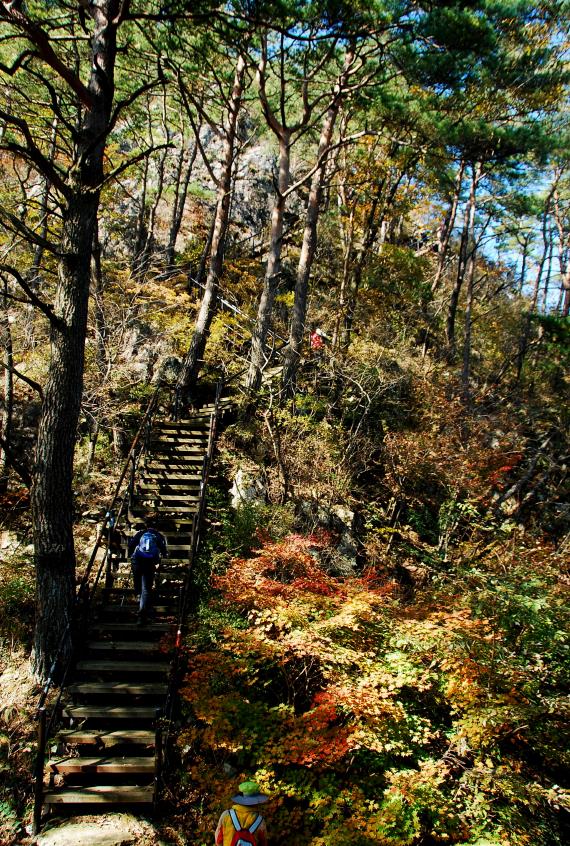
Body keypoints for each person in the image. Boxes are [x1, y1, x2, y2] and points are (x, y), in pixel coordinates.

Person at [127, 516, 167, 625]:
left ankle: (140, 600)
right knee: (146, 588)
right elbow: (164, 551)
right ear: (157, 526)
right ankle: (141, 615)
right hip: (149, 563)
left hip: (137, 561)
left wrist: (132, 554)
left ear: (146, 525)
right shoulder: (158, 536)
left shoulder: (140, 533)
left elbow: (130, 545)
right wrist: (159, 559)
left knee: (138, 585)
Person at [214, 781, 269, 846]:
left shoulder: (226, 815)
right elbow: (263, 843)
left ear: (241, 797)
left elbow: (218, 840)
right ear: (257, 800)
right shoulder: (260, 821)